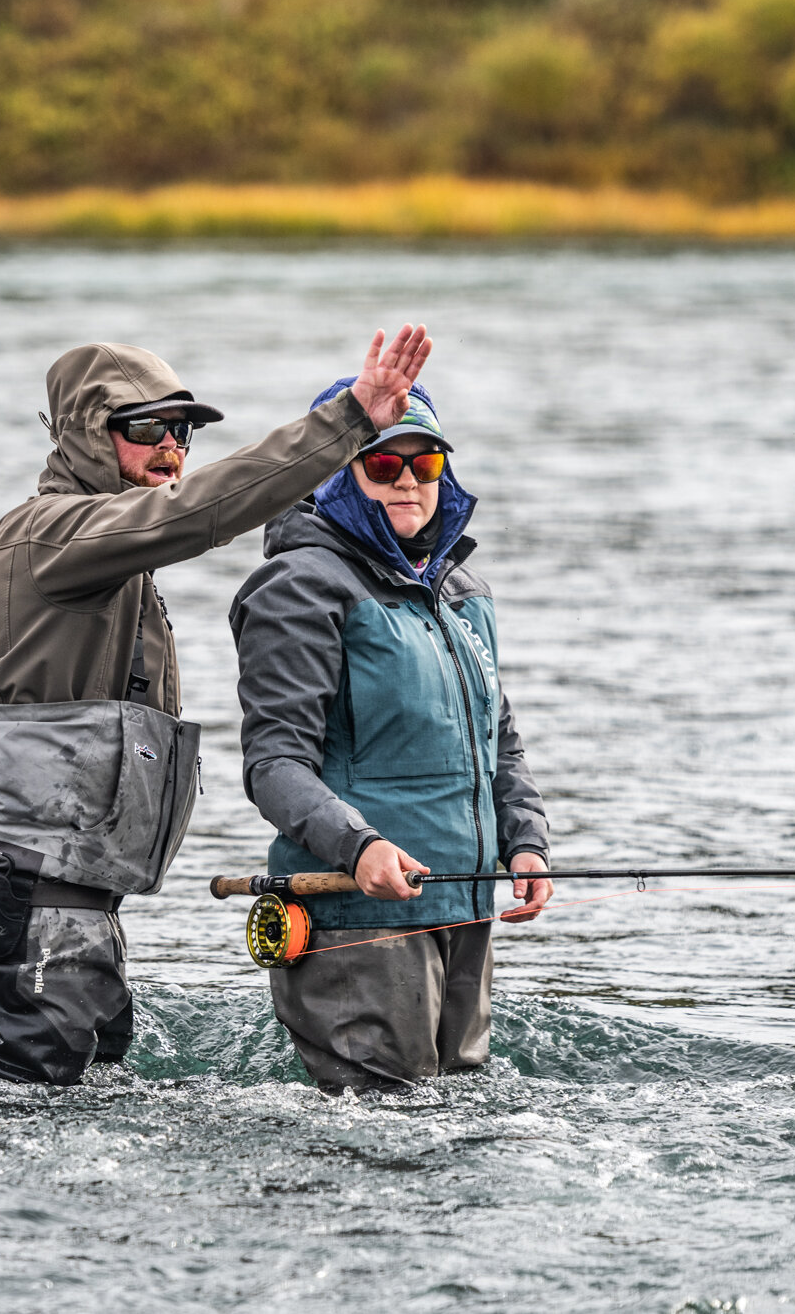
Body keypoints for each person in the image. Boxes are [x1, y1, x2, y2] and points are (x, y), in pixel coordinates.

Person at [0, 329, 434, 1085]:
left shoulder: (113, 556)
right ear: (89, 437)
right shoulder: (49, 534)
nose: (170, 447)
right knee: (32, 1128)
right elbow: (201, 510)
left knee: (74, 1111)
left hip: (74, 907)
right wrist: (350, 420)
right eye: (145, 428)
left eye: (182, 430)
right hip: (19, 907)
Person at [229, 379, 553, 1092]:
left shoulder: (465, 591)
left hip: (464, 908)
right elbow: (274, 762)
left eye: (426, 463)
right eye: (382, 464)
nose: (407, 478)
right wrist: (360, 844)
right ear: (336, 474)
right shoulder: (299, 586)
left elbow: (500, 741)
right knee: (382, 1137)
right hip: (355, 919)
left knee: (454, 1125)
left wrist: (525, 841)